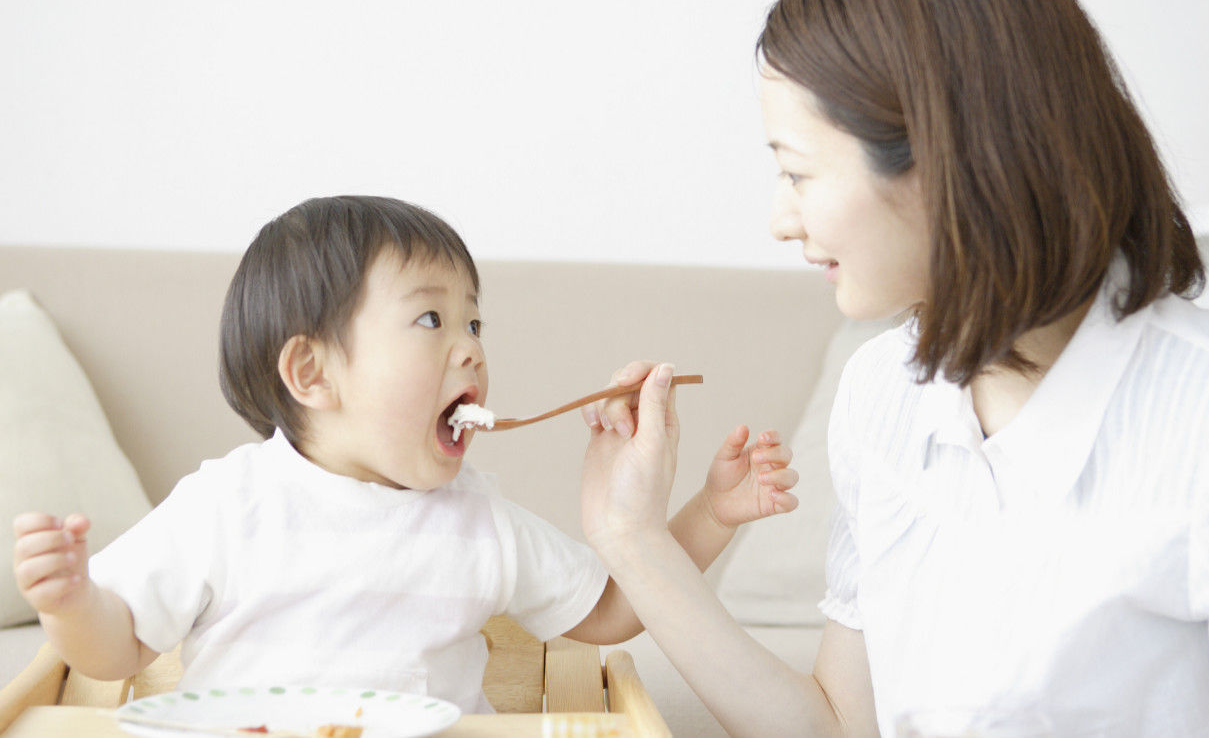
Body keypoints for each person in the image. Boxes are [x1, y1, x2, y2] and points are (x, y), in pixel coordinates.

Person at [576, 0, 1209, 736]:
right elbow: (841, 722)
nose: (780, 219)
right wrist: (632, 536)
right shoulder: (881, 392)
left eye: (798, 172)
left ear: (937, 156)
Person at [10, 195, 799, 714]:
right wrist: (70, 599)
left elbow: (615, 610)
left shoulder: (477, 517)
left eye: (476, 325)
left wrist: (709, 511)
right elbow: (116, 648)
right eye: (431, 321)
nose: (470, 350)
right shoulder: (228, 504)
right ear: (312, 372)